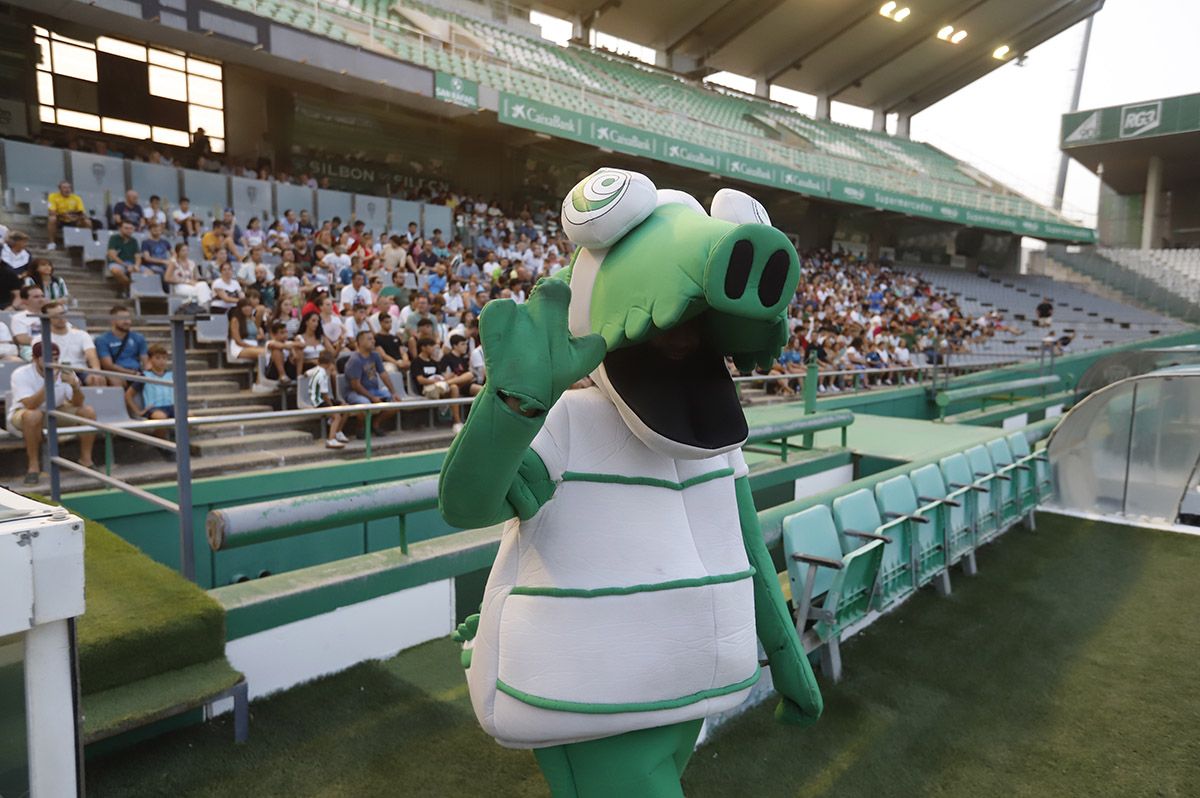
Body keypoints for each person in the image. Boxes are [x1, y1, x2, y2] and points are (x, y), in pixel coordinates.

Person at [8, 341, 96, 484]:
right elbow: (30, 404)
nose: (52, 362)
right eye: (47, 358)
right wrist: (50, 381)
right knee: (33, 415)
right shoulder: (21, 374)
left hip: (55, 411)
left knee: (88, 412)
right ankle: (33, 467)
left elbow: (78, 403)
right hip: (24, 413)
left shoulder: (65, 372)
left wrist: (75, 387)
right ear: (35, 359)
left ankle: (86, 460)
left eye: (55, 359)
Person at [343, 330, 403, 436]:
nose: (373, 341)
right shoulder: (355, 360)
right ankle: (360, 427)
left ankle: (376, 424)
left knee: (396, 402)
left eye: (373, 338)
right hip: (355, 393)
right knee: (364, 404)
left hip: (374, 390)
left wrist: (393, 392)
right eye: (369, 339)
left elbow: (383, 374)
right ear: (360, 342)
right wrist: (372, 397)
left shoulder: (375, 356)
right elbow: (355, 385)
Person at [411, 335, 465, 431]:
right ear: (423, 347)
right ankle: (443, 407)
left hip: (439, 386)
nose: (433, 349)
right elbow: (420, 380)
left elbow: (440, 376)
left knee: (454, 388)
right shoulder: (416, 362)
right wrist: (435, 381)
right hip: (425, 388)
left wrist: (446, 378)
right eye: (431, 346)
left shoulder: (434, 362)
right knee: (444, 386)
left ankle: (457, 421)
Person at [44, 301, 104, 386]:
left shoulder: (81, 334)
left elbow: (92, 355)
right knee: (67, 379)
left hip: (81, 370)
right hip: (58, 371)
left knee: (98, 379)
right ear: (47, 319)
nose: (61, 318)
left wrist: (96, 371)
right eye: (55, 316)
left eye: (62, 313)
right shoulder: (42, 338)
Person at [126, 343, 176, 443]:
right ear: (150, 359)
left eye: (164, 358)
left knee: (190, 416)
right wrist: (138, 411)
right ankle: (160, 442)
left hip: (172, 406)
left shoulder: (172, 375)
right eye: (157, 358)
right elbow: (128, 395)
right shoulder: (145, 376)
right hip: (154, 408)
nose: (161, 361)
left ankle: (178, 441)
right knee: (162, 418)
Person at [94, 305, 149, 387]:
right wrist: (131, 373)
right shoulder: (102, 340)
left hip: (137, 372)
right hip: (117, 373)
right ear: (112, 320)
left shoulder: (139, 337)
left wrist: (147, 373)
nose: (127, 321)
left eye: (129, 318)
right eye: (123, 318)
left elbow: (145, 361)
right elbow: (108, 365)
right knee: (115, 380)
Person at [305, 350, 348, 449]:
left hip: (321, 399)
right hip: (318, 402)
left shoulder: (317, 369)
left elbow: (306, 373)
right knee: (337, 416)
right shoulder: (322, 375)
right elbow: (325, 395)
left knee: (346, 408)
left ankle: (338, 432)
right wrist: (332, 408)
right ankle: (331, 440)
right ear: (329, 364)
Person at [165, 242, 213, 307]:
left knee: (203, 285)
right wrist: (186, 281)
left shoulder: (192, 263)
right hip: (179, 286)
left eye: (187, 250)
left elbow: (196, 278)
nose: (185, 252)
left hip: (191, 285)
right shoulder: (173, 262)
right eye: (183, 250)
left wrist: (206, 281)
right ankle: (205, 309)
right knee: (204, 289)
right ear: (178, 252)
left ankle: (202, 308)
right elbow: (167, 278)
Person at [46, 180, 91, 249]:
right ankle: (52, 243)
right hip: (60, 219)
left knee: (87, 222)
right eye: (64, 188)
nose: (67, 190)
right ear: (60, 189)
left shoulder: (77, 198)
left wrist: (75, 217)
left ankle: (86, 244)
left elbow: (82, 213)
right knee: (52, 219)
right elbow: (51, 212)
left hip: (74, 220)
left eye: (69, 188)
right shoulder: (53, 196)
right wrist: (63, 215)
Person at [9, 284, 45, 360]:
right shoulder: (19, 317)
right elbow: (21, 339)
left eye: (42, 296)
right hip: (30, 348)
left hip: (55, 346)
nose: (41, 299)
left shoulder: (52, 314)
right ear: (24, 301)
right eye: (36, 297)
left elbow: (71, 330)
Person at [106, 220, 141, 291]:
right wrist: (126, 265)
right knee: (116, 271)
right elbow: (112, 255)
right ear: (120, 229)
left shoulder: (134, 241)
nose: (129, 230)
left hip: (132, 263)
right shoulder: (114, 238)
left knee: (149, 273)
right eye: (126, 228)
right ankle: (129, 288)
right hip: (118, 263)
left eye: (131, 228)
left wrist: (137, 265)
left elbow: (137, 256)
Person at [227, 298, 264, 364]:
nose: (247, 308)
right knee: (265, 353)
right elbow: (238, 341)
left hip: (253, 345)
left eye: (249, 306)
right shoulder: (235, 320)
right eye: (244, 306)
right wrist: (253, 347)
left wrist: (260, 335)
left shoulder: (253, 319)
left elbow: (253, 335)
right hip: (240, 347)